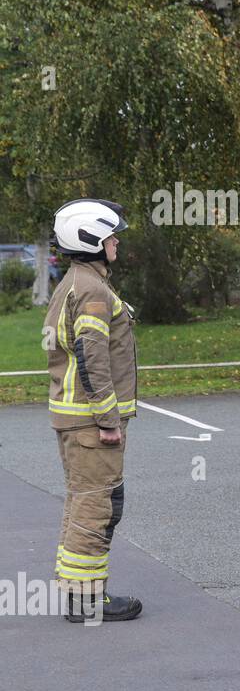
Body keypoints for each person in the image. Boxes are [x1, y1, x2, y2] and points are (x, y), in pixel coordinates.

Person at [44, 199, 142, 622]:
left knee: (83, 503)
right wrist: (108, 421)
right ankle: (87, 602)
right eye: (110, 235)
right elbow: (92, 356)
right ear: (91, 240)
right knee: (97, 507)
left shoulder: (75, 281)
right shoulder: (92, 290)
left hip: (74, 420)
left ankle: (76, 593)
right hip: (91, 423)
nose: (116, 240)